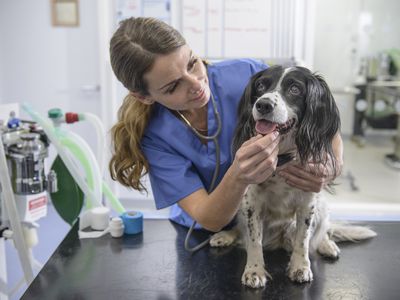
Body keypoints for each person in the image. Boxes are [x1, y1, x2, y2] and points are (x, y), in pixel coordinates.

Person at [108, 17, 343, 232]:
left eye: (192, 63)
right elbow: (209, 218)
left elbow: (319, 116)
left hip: (268, 223)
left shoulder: (248, 75)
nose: (197, 84)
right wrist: (239, 176)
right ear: (144, 96)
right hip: (204, 234)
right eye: (173, 86)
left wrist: (332, 166)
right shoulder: (155, 137)